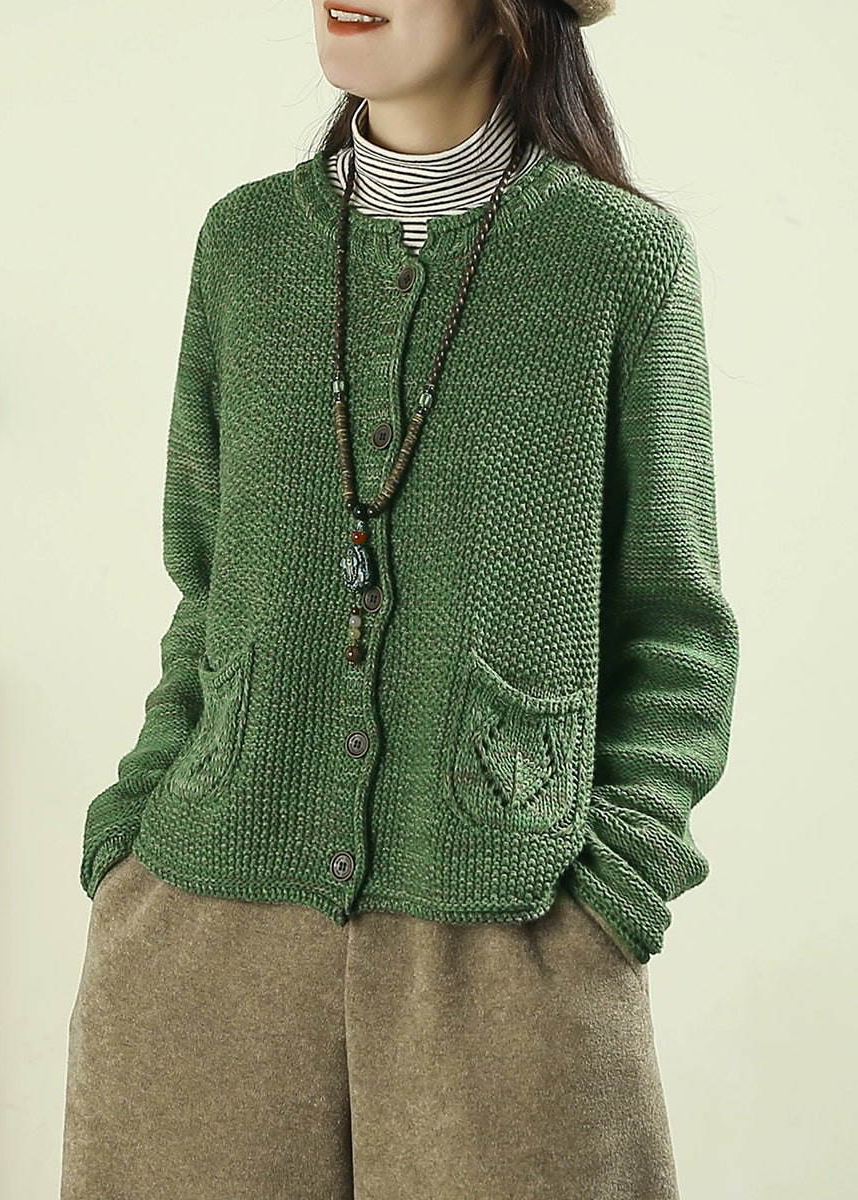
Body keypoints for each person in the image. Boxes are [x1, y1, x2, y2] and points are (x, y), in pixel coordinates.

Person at [60, 2, 740, 1197]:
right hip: (203, 925)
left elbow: (675, 628)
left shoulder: (618, 262)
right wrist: (129, 840)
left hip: (512, 934)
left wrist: (611, 895)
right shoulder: (246, 248)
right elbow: (204, 586)